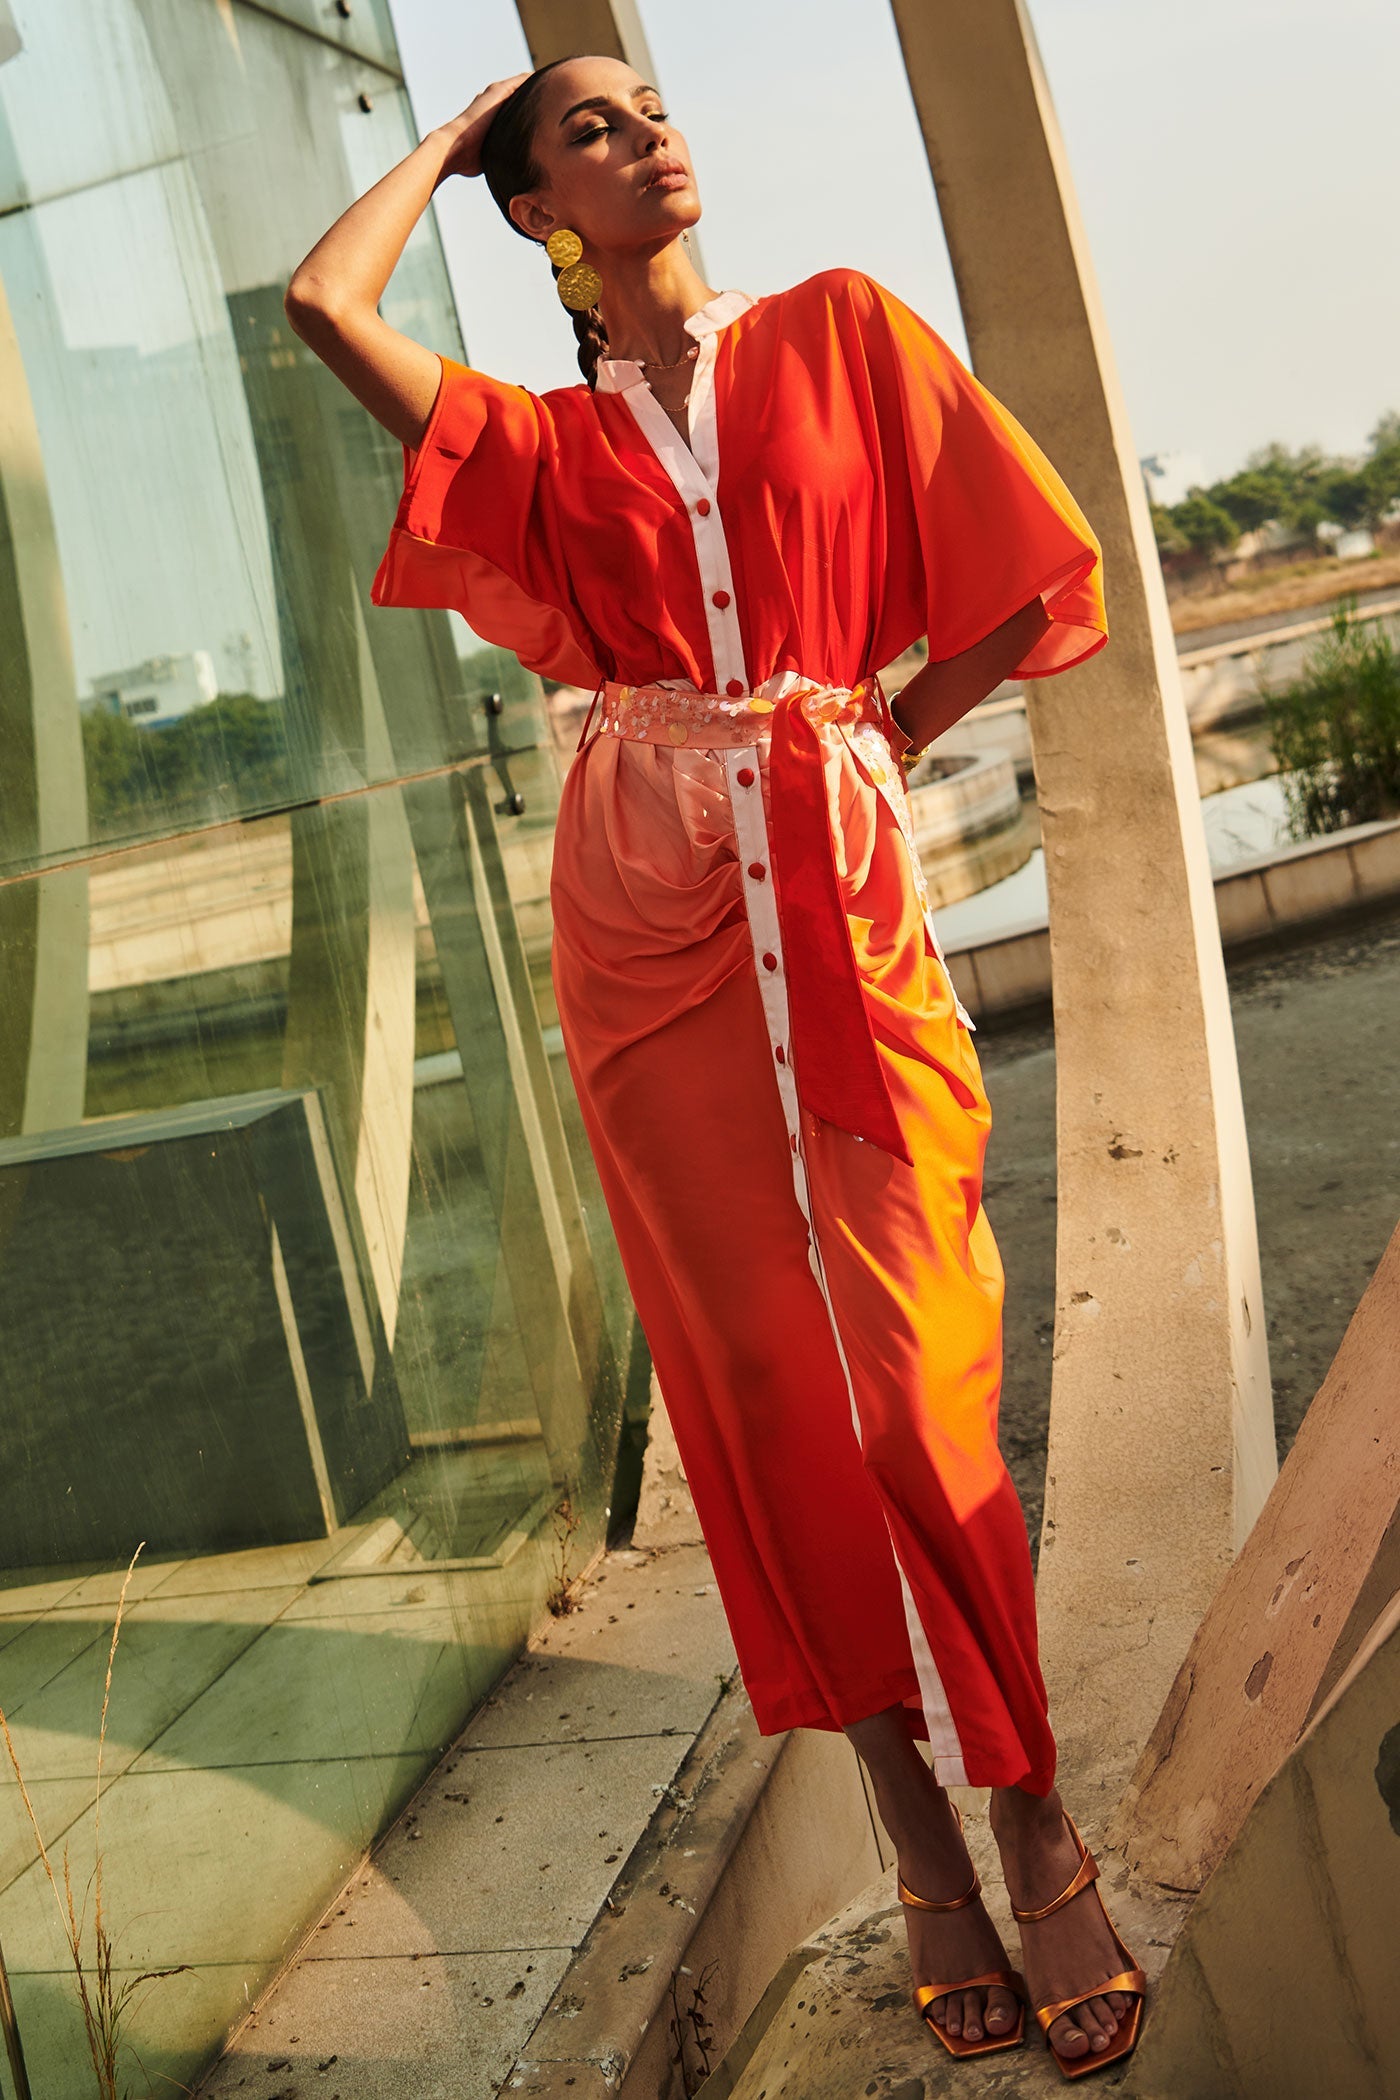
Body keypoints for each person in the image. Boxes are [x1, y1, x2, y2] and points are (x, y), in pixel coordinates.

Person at [284, 54, 1145, 2080]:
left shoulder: (844, 332)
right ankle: (912, 1822)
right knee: (762, 1402)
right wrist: (462, 127)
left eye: (650, 105)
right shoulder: (534, 445)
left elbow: (1026, 585)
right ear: (531, 215)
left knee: (925, 1392)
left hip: (839, 920)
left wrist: (865, 738)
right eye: (590, 128)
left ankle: (1027, 1802)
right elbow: (327, 309)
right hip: (645, 951)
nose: (648, 130)